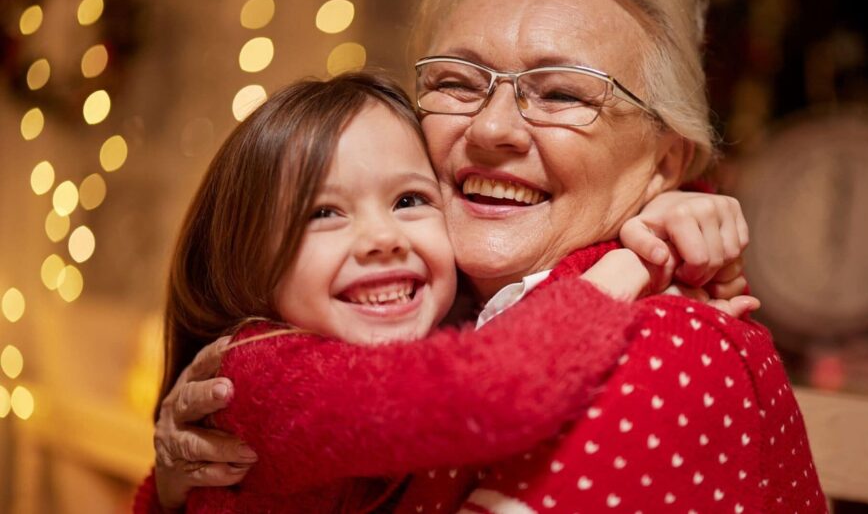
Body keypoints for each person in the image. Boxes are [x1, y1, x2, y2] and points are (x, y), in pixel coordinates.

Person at [148, 0, 827, 512]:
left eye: (562, 92)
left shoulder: (670, 349)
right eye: (458, 82)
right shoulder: (430, 326)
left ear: (665, 162)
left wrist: (652, 248)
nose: (493, 128)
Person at [133, 71, 753, 512]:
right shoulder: (261, 374)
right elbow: (489, 390)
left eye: (409, 200)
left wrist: (673, 210)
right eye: (322, 213)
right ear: (246, 257)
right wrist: (631, 268)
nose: (382, 238)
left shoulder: (435, 327)